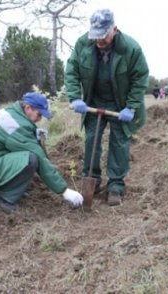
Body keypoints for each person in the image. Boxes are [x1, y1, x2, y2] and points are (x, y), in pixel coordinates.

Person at [65, 9, 149, 206]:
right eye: (96, 36)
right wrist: (75, 97)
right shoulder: (83, 44)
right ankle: (91, 181)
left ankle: (116, 186)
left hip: (120, 104)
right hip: (93, 101)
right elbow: (72, 71)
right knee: (91, 141)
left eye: (103, 35)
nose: (99, 40)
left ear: (114, 29)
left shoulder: (131, 49)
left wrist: (132, 106)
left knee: (119, 144)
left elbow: (140, 78)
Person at [0, 92, 83, 214]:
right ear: (28, 108)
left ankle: (7, 188)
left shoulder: (14, 113)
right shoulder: (16, 126)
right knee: (30, 159)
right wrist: (64, 191)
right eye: (39, 114)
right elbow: (38, 155)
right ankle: (3, 197)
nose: (40, 119)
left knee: (28, 157)